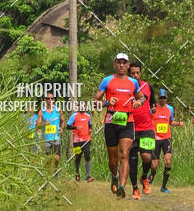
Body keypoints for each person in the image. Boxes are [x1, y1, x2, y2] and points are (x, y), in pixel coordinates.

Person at [95, 52, 146, 199]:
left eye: (124, 63)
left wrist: (139, 102)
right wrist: (106, 103)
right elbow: (95, 101)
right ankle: (115, 176)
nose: (122, 65)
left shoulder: (133, 82)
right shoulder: (107, 81)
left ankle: (122, 187)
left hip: (127, 122)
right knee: (113, 160)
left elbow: (141, 97)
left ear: (128, 65)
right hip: (111, 122)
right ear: (115, 64)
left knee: (125, 154)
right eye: (119, 62)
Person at [128, 60, 157, 199]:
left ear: (140, 73)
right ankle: (135, 189)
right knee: (132, 161)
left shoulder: (147, 86)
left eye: (137, 73)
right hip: (130, 128)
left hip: (146, 128)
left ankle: (144, 178)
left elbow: (151, 102)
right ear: (129, 74)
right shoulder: (126, 88)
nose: (135, 75)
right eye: (132, 73)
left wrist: (154, 108)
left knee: (146, 157)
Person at [148, 89, 184, 193]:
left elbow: (171, 122)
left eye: (164, 98)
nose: (162, 99)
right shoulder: (153, 108)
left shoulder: (170, 109)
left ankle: (164, 187)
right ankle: (149, 181)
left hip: (166, 138)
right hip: (155, 138)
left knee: (168, 161)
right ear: (158, 98)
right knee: (154, 164)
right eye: (160, 98)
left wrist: (178, 124)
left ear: (166, 98)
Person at [67, 100, 94, 183]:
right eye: (81, 106)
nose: (82, 107)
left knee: (87, 155)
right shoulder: (74, 116)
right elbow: (68, 126)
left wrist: (90, 129)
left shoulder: (88, 116)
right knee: (78, 157)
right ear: (78, 107)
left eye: (84, 106)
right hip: (77, 140)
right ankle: (77, 174)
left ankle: (88, 176)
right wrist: (75, 128)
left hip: (86, 139)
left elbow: (90, 124)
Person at [37, 92, 65, 170]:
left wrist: (61, 128)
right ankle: (47, 172)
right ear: (45, 100)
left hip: (56, 137)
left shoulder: (58, 110)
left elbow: (63, 120)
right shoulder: (42, 112)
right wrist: (44, 124)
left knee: (57, 157)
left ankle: (55, 171)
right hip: (47, 139)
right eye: (48, 98)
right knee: (49, 158)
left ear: (54, 100)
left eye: (52, 98)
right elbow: (37, 125)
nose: (50, 100)